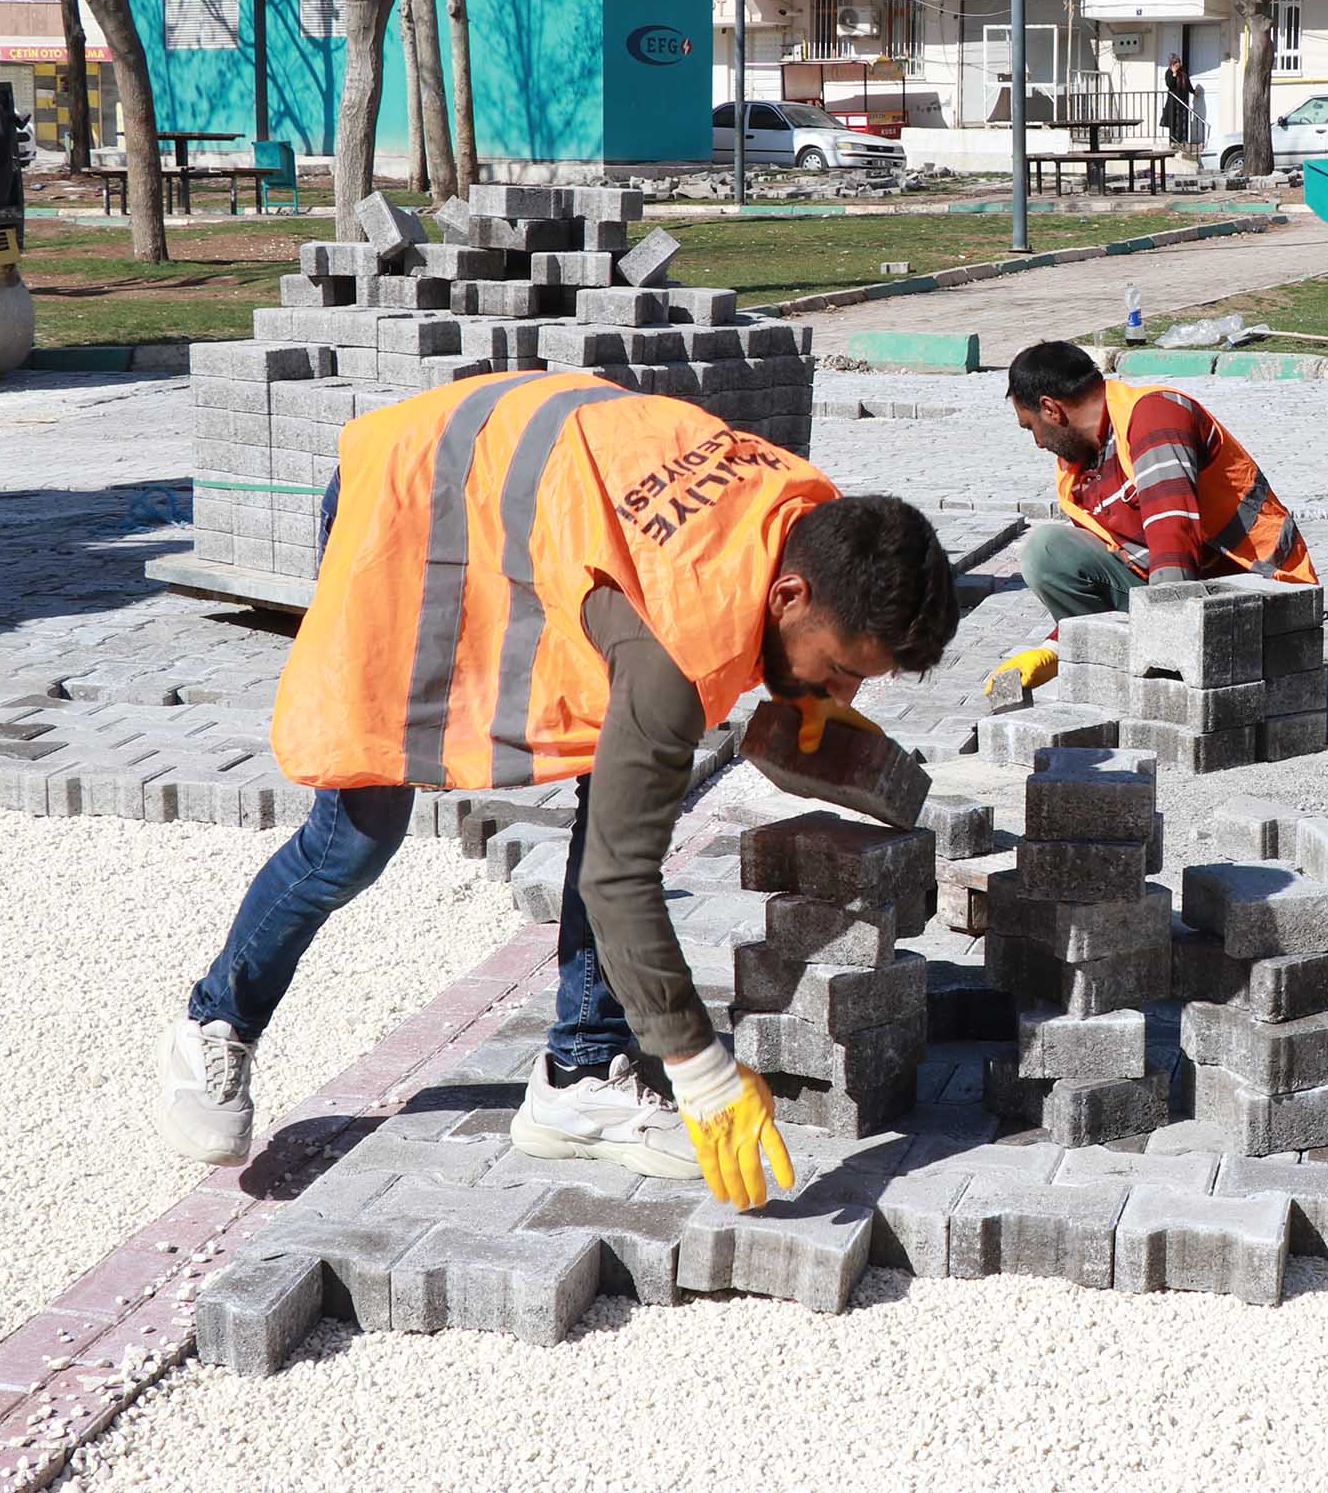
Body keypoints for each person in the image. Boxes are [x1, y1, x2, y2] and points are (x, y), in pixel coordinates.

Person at [159, 374, 958, 1210]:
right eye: (838, 670)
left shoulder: (808, 526)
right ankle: (216, 1021)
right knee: (356, 837)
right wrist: (700, 1066)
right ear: (790, 594)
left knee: (612, 794)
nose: (842, 694)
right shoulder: (669, 652)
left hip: (537, 502)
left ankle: (577, 1076)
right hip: (414, 501)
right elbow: (621, 878)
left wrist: (806, 702)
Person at [985, 340, 1315, 697]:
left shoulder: (1154, 414)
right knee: (1048, 553)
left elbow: (1174, 539)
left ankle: (1170, 673)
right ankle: (1122, 674)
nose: (1037, 442)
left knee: (1052, 551)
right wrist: (1053, 650)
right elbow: (1113, 561)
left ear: (1050, 409)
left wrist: (1171, 681)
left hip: (1258, 595)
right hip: (1186, 596)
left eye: (1029, 426)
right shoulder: (1078, 472)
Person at [1160, 53, 1195, 148]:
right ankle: (1173, 141)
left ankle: (1181, 140)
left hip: (1182, 100)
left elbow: (1188, 84)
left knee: (1181, 120)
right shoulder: (1169, 72)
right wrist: (1174, 74)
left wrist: (1193, 92)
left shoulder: (1183, 73)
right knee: (1173, 121)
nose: (1177, 65)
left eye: (1178, 62)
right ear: (1172, 64)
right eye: (1175, 63)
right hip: (1173, 101)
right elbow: (1170, 85)